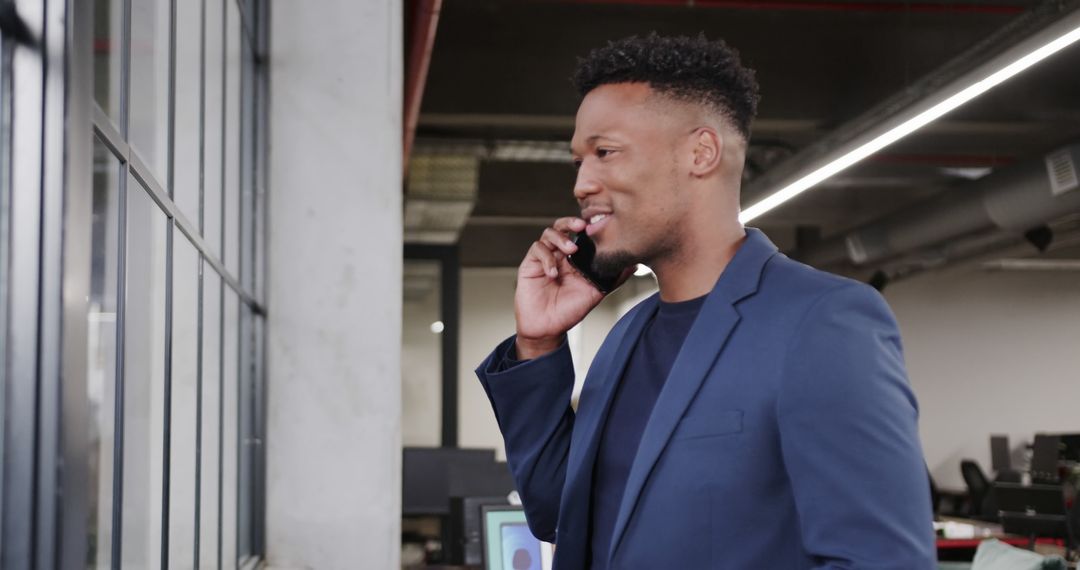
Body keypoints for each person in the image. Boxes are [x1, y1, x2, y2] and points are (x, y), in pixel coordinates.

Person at [475, 33, 936, 569]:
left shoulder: (822, 322)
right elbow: (560, 515)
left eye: (604, 152)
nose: (582, 183)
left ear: (701, 153)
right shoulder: (629, 333)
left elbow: (882, 561)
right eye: (579, 161)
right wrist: (538, 342)